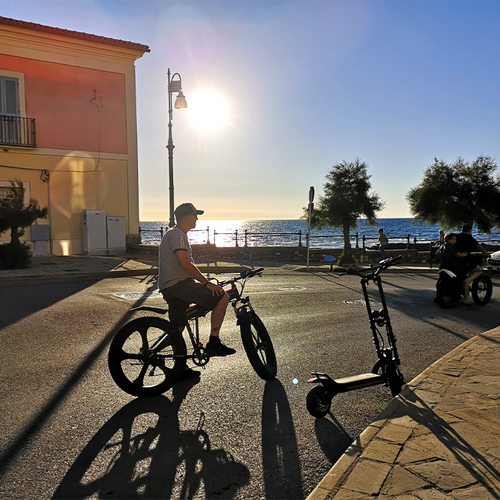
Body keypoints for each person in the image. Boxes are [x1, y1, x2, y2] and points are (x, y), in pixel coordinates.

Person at [158, 202, 235, 358]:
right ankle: (214, 343)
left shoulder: (174, 233)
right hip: (178, 285)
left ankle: (178, 365)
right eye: (195, 216)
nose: (197, 219)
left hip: (169, 286)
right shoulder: (178, 234)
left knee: (178, 327)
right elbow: (186, 264)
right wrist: (206, 283)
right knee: (222, 297)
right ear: (187, 217)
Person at [455, 223, 486, 305]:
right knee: (479, 270)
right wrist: (485, 252)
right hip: (465, 261)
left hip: (455, 260)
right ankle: (466, 296)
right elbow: (479, 246)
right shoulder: (470, 238)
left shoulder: (457, 236)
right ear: (470, 230)